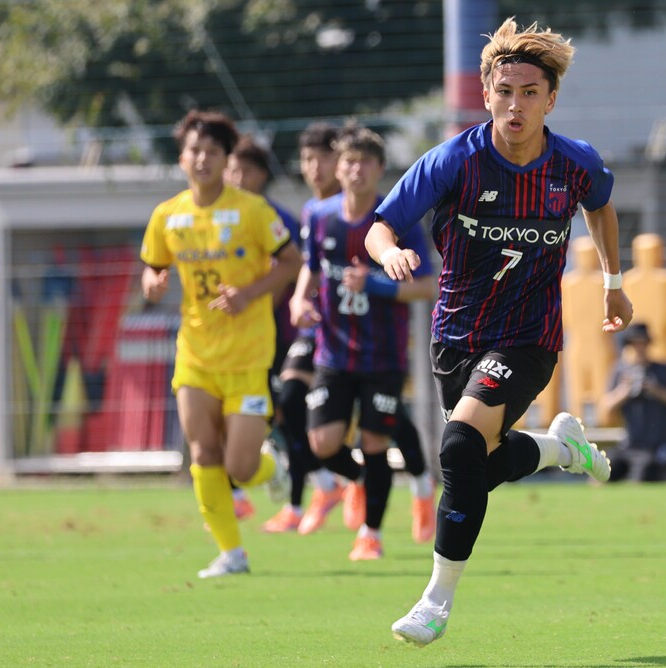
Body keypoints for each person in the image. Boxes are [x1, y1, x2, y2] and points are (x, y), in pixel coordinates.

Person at [365, 17, 633, 646]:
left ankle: (435, 601)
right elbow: (381, 226)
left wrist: (613, 281)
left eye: (530, 93)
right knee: (474, 467)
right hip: (456, 336)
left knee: (459, 446)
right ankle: (559, 450)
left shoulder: (574, 163)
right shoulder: (453, 161)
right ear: (486, 94)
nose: (516, 106)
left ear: (551, 100)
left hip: (528, 337)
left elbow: (600, 206)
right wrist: (390, 253)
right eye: (505, 92)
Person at [140, 110, 302, 578]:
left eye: (212, 151)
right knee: (204, 453)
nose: (202, 159)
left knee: (241, 465)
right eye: (194, 150)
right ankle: (231, 553)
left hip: (248, 356)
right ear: (181, 158)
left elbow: (292, 261)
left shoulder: (253, 210)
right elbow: (153, 266)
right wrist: (153, 283)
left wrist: (249, 293)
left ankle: (272, 470)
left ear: (226, 158)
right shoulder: (167, 215)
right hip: (195, 354)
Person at [290, 124, 438, 560]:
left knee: (375, 443)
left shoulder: (396, 221)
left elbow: (426, 286)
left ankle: (370, 534)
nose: (356, 170)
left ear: (379, 169)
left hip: (383, 355)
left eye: (366, 162)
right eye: (349, 162)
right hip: (333, 351)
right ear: (338, 168)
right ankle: (356, 481)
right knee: (322, 443)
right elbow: (311, 267)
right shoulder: (319, 216)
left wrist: (374, 284)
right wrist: (299, 299)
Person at [222, 133, 341, 531]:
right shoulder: (219, 216)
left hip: (279, 333)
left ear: (261, 174)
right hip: (230, 335)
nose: (236, 177)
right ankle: (266, 492)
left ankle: (312, 489)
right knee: (257, 409)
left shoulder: (278, 217)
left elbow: (295, 268)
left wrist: (261, 298)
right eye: (231, 169)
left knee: (285, 407)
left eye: (244, 170)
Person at [597, 322, 666, 482]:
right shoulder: (620, 371)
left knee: (645, 473)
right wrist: (624, 391)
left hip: (655, 446)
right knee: (603, 468)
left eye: (642, 343)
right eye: (634, 344)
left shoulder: (663, 370)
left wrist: (655, 390)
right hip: (629, 445)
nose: (639, 348)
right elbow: (605, 408)